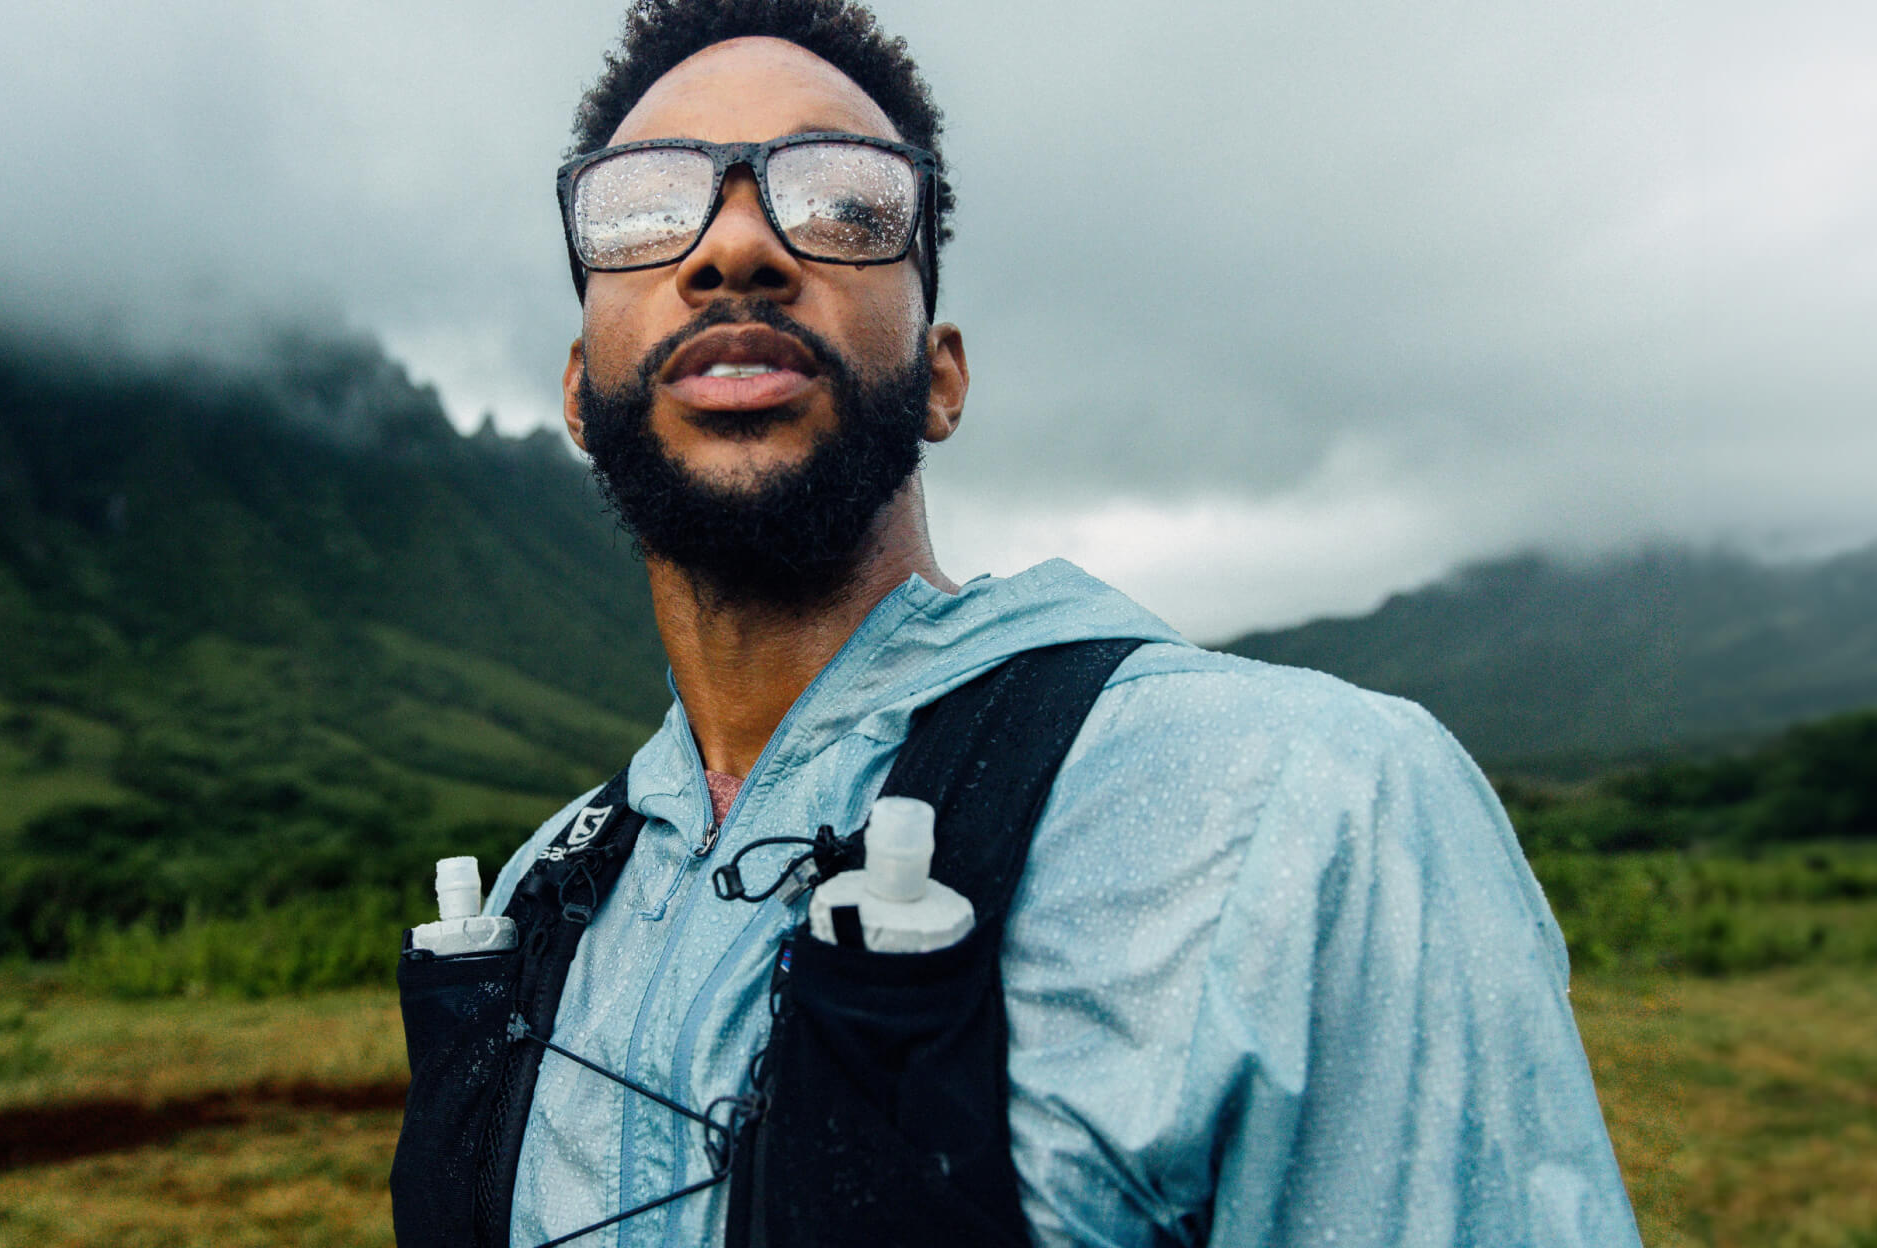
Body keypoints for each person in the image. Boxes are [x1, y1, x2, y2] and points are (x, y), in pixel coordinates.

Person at [415, 2, 1645, 1244]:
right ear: (579, 393)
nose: (736, 247)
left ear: (941, 376)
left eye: (843, 202)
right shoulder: (541, 900)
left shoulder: (1305, 814)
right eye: (643, 208)